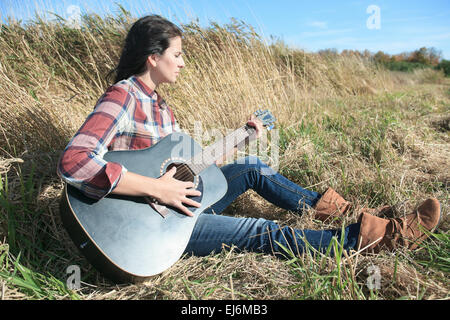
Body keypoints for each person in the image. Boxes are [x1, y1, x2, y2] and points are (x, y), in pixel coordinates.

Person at [57, 15, 441, 261]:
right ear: (153, 57)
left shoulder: (162, 108)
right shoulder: (122, 95)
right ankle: (377, 237)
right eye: (178, 53)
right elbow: (75, 162)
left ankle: (347, 212)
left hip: (176, 204)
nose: (184, 61)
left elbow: (185, 170)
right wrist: (157, 190)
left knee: (252, 166)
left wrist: (241, 138)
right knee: (260, 231)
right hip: (150, 227)